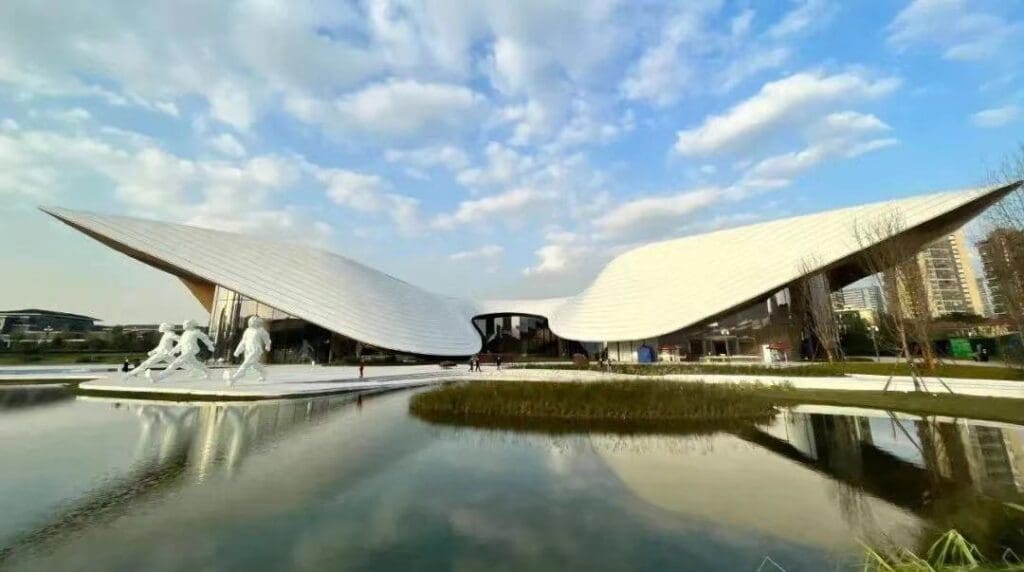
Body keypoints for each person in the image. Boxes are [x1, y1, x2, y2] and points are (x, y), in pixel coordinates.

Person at [147, 320, 215, 383]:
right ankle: (208, 372)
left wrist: (210, 346)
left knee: (175, 364)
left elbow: (205, 338)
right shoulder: (185, 333)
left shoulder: (196, 332)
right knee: (196, 363)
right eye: (184, 324)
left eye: (186, 324)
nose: (184, 325)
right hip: (185, 351)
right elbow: (180, 343)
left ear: (191, 325)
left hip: (190, 350)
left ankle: (158, 377)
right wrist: (174, 350)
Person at [223, 316, 272, 385]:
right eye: (251, 321)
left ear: (257, 322)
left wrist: (268, 345)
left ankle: (233, 379)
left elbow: (267, 339)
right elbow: (243, 341)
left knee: (245, 364)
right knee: (254, 364)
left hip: (256, 350)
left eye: (254, 321)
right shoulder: (247, 330)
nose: (252, 323)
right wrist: (238, 351)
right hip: (247, 350)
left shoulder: (261, 330)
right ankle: (264, 372)